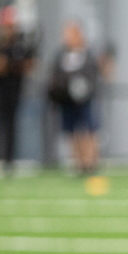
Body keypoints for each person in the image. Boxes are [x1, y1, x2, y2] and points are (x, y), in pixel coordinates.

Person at [0, 5, 36, 177]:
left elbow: (30, 65)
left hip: (14, 91)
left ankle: (8, 162)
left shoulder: (21, 44)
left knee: (11, 127)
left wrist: (12, 66)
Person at [49, 21, 102, 176]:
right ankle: (78, 162)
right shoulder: (61, 55)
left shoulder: (87, 54)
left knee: (89, 128)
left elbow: (93, 75)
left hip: (86, 100)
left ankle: (90, 161)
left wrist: (84, 89)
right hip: (67, 100)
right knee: (71, 130)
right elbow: (55, 75)